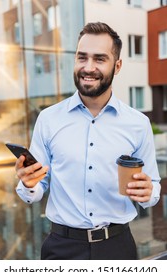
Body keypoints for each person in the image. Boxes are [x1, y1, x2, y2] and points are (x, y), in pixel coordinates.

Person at [15, 22, 161, 260]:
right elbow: (36, 188)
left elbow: (153, 187)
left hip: (118, 248)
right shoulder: (48, 118)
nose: (88, 67)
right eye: (82, 57)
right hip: (61, 249)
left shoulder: (138, 123)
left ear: (118, 65)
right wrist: (30, 182)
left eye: (99, 59)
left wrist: (148, 191)